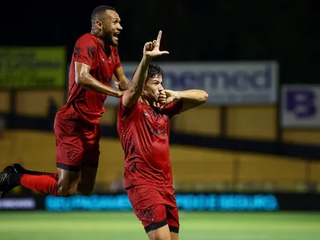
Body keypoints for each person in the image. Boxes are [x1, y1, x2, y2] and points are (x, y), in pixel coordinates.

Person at [0, 5, 131, 198]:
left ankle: (17, 173)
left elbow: (122, 82)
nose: (120, 27)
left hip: (92, 126)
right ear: (99, 24)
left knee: (85, 187)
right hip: (73, 123)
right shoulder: (87, 42)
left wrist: (144, 72)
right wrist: (117, 94)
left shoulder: (112, 49)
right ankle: (12, 179)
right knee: (65, 189)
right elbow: (82, 77)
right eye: (115, 22)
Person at [117, 31, 208, 240]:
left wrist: (176, 94)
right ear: (143, 87)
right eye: (155, 83)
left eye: (161, 82)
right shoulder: (130, 108)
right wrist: (146, 58)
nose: (161, 88)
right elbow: (134, 88)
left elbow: (203, 96)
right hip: (142, 184)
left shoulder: (164, 107)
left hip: (166, 186)